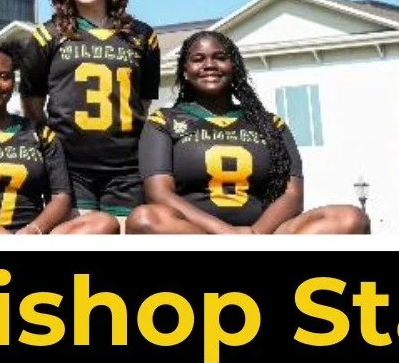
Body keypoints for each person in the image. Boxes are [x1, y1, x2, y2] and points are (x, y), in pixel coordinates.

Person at [126, 31, 370, 235]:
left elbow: (292, 194)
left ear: (235, 67)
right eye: (198, 59)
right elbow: (159, 193)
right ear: (185, 71)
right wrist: (225, 235)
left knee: (351, 218)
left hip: (266, 234)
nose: (209, 65)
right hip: (196, 235)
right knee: (144, 219)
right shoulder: (164, 121)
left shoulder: (270, 123)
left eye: (220, 58)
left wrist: (255, 236)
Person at [0, 0, 160, 226]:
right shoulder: (48, 35)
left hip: (127, 168)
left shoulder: (142, 35)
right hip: (70, 167)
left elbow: (143, 100)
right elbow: (32, 101)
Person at [0, 31, 116, 234]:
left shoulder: (40, 134)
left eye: (3, 76)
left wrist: (33, 231)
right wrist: (0, 235)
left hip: (31, 238)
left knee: (103, 221)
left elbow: (61, 196)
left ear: (13, 81)